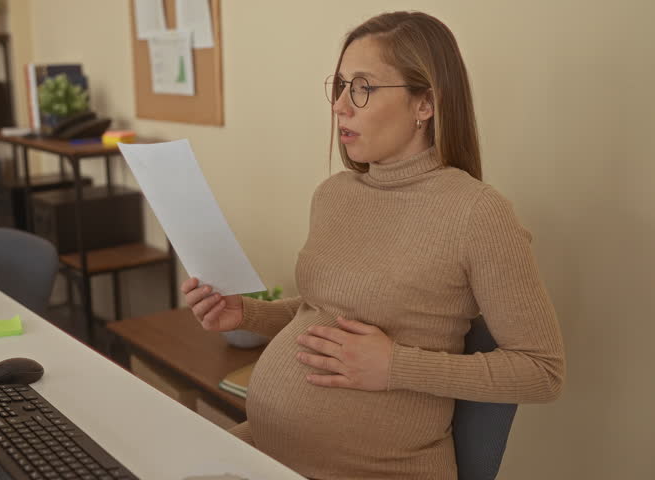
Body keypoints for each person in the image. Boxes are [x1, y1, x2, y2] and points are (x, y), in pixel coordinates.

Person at [181, 10, 565, 480]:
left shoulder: (477, 213)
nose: (341, 105)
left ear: (425, 103)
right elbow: (325, 311)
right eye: (340, 86)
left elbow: (542, 371)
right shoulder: (335, 194)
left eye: (362, 87)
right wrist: (246, 315)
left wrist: (395, 366)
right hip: (266, 449)